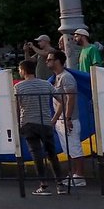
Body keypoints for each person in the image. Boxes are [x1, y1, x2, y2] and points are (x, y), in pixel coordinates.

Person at [15, 59, 65, 196]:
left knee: (36, 154)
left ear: (23, 71)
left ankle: (43, 185)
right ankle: (60, 184)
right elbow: (62, 100)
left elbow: (16, 109)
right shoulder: (46, 84)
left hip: (28, 123)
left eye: (19, 70)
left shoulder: (18, 87)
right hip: (45, 122)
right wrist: (54, 118)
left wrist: (17, 124)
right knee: (52, 154)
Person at [46, 50, 85, 188]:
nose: (47, 61)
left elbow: (70, 98)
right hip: (62, 119)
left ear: (58, 61)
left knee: (74, 148)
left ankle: (79, 175)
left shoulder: (66, 77)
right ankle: (73, 174)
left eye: (50, 59)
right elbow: (61, 101)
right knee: (68, 149)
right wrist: (56, 119)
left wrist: (68, 118)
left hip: (69, 119)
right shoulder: (57, 77)